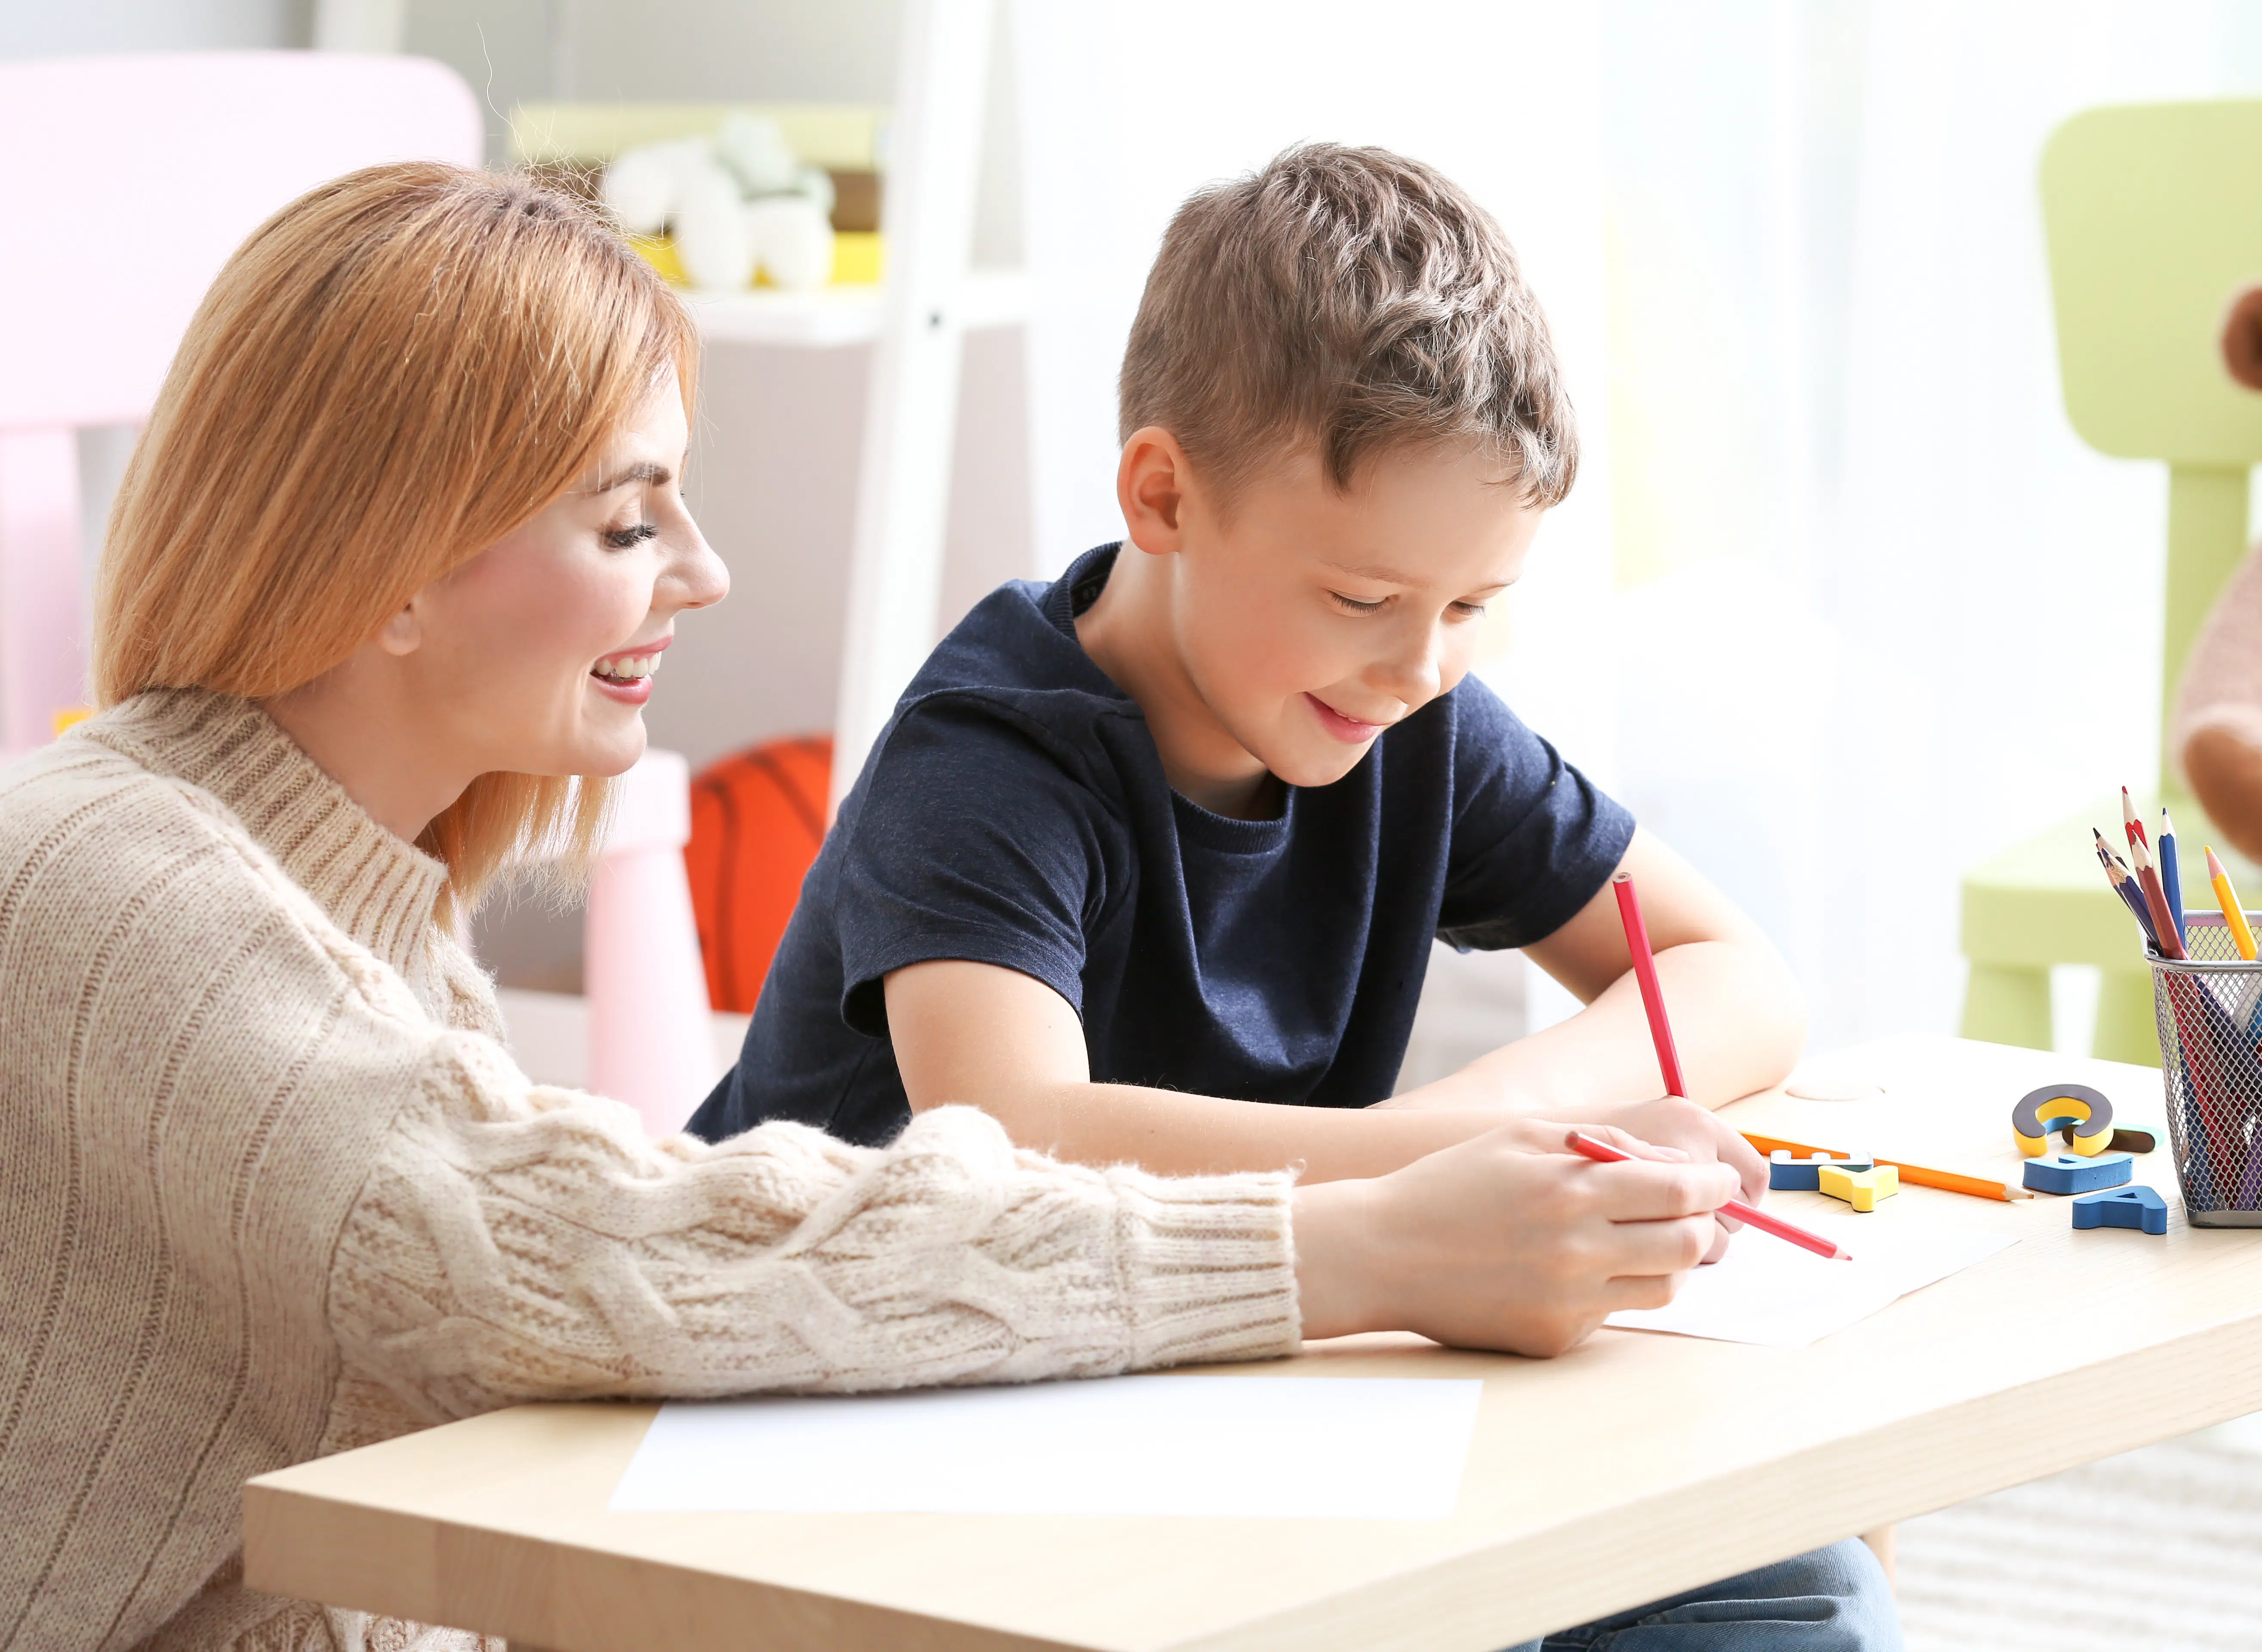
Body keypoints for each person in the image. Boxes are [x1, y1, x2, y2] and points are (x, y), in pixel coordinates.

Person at [0, 163, 1748, 1652]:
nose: (703, 570)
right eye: (628, 519)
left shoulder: (366, 929)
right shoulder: (113, 875)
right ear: (387, 569)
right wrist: (1357, 1240)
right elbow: (576, 1256)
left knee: (1755, 1573)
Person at [693, 144, 1898, 1645]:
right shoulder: (990, 757)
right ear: (1163, 496)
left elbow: (1733, 975)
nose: (1419, 666)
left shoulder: (1411, 714)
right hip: (889, 1399)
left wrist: (1496, 1142)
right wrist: (1421, 1168)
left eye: (1472, 607)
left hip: (1239, 1365)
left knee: (1801, 1581)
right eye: (1362, 599)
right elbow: (1013, 1137)